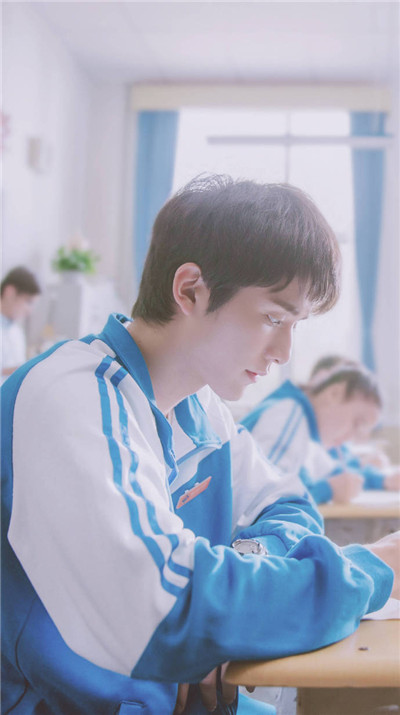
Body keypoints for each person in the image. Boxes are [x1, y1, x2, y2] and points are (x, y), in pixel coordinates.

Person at [2, 176, 398, 715]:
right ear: (190, 290)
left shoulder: (199, 405)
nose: (285, 351)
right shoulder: (71, 397)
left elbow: (292, 506)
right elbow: (170, 616)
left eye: (296, 325)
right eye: (273, 318)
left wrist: (228, 612)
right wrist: (376, 569)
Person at [241, 360, 399, 505]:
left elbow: (334, 472)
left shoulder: (309, 435)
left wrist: (383, 480)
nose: (352, 437)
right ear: (334, 393)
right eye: (357, 423)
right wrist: (326, 490)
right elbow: (263, 497)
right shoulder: (289, 414)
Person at [309, 355, 400, 488]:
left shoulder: (322, 438)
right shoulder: (295, 421)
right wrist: (360, 464)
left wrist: (382, 480)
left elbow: (335, 470)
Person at [0, 266, 41, 384]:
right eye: (28, 301)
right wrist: (16, 370)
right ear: (10, 292)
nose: (29, 311)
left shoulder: (16, 332)